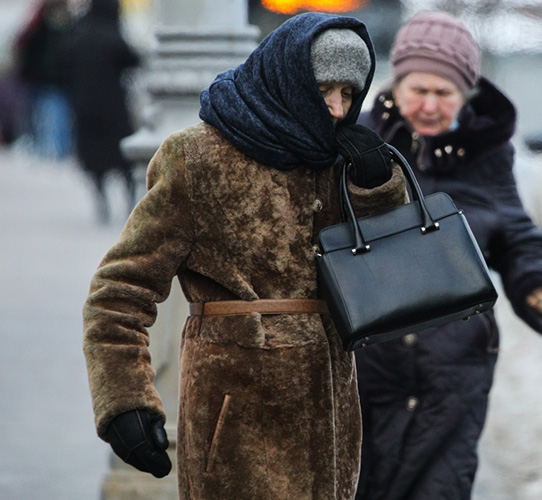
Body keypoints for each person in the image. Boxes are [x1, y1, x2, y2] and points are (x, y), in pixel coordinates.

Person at [81, 12, 405, 500]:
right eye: (324, 91)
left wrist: (377, 189)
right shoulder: (196, 157)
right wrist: (125, 400)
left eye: (349, 94)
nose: (338, 110)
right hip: (233, 418)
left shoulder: (340, 157)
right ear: (289, 79)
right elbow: (119, 291)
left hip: (331, 414)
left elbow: (384, 268)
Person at [354, 11, 542, 500]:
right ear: (396, 85)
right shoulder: (358, 140)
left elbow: (515, 232)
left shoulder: (488, 152)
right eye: (418, 90)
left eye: (444, 93)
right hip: (369, 359)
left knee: (440, 485)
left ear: (465, 95)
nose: (429, 105)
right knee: (361, 482)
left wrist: (533, 281)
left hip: (454, 360)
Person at [62, 0, 140, 224]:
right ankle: (129, 202)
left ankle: (102, 202)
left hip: (84, 105)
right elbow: (132, 59)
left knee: (93, 158)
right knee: (123, 157)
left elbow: (63, 64)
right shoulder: (112, 35)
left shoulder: (80, 34)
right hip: (113, 106)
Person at [13, 0, 74, 159]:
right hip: (54, 78)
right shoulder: (67, 22)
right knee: (56, 115)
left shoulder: (39, 22)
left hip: (47, 78)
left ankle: (51, 152)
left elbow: (24, 45)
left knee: (49, 115)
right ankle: (55, 152)